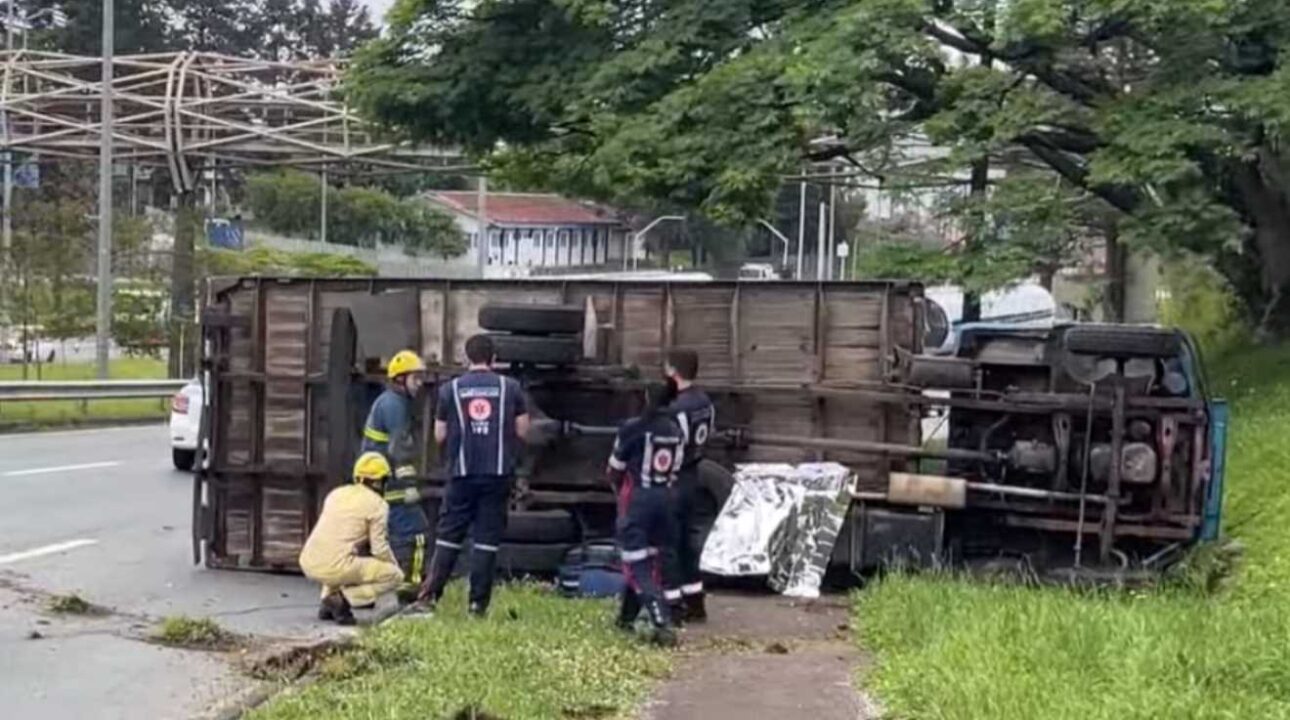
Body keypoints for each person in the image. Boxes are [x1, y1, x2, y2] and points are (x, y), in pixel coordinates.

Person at [417, 334, 530, 617]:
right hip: (497, 474)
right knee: (486, 540)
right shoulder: (512, 388)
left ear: (467, 358)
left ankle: (430, 597)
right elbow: (523, 430)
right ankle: (477, 605)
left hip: (461, 474)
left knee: (448, 535)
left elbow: (439, 434)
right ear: (494, 358)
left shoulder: (449, 390)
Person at [609, 384, 684, 647]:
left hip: (638, 499)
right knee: (652, 556)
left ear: (646, 399)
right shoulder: (676, 431)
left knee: (635, 562)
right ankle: (625, 618)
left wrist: (618, 490)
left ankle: (661, 620)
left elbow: (614, 468)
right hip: (666, 498)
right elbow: (676, 469)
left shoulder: (633, 428)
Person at [299, 452, 404, 626]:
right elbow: (379, 548)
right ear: (379, 482)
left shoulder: (337, 494)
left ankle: (327, 601)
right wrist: (393, 565)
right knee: (394, 576)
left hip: (309, 560)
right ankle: (343, 599)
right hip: (336, 566)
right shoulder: (379, 505)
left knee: (342, 557)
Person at [360, 349, 429, 604]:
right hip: (389, 482)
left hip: (379, 480)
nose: (420, 384)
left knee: (378, 536)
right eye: (416, 378)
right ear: (400, 379)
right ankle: (411, 589)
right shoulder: (394, 405)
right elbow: (398, 450)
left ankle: (367, 589)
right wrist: (410, 485)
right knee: (417, 532)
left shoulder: (391, 402)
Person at [663, 349, 716, 623]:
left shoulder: (675, 408)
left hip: (674, 479)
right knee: (689, 541)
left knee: (668, 543)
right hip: (695, 475)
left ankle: (673, 606)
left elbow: (670, 447)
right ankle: (696, 602)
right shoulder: (705, 402)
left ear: (673, 371)